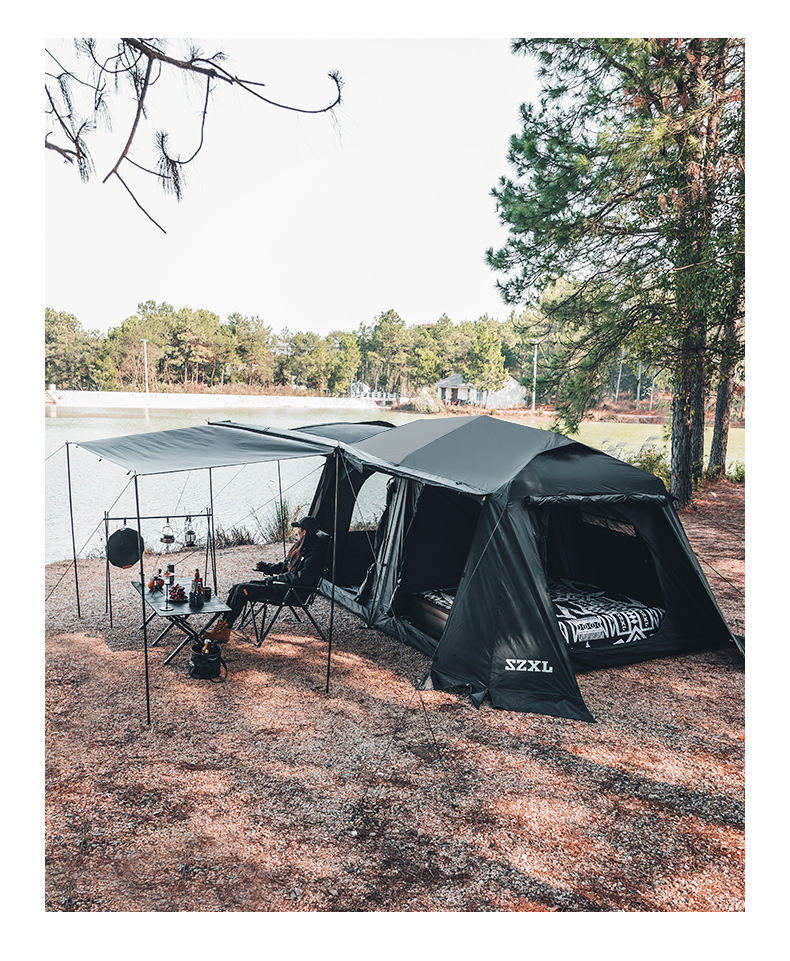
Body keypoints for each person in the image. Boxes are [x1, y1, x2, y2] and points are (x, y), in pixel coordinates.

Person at [203, 516, 329, 642]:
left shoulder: (314, 554)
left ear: (304, 531)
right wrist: (267, 568)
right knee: (237, 587)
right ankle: (223, 627)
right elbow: (286, 566)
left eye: (299, 529)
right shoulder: (303, 545)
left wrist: (277, 578)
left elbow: (302, 578)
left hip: (291, 592)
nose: (297, 531)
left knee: (242, 590)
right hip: (282, 586)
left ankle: (224, 630)